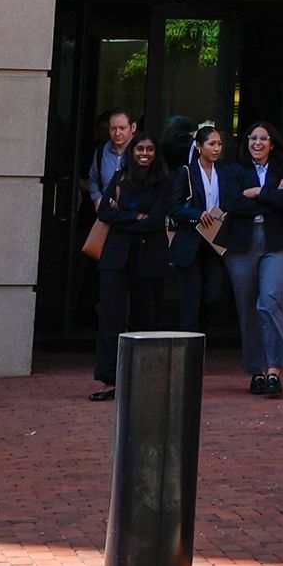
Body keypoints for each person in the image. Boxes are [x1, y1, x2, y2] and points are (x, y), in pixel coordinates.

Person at [217, 120, 283, 397]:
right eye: (253, 138)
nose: (257, 143)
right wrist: (271, 198)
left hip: (276, 243)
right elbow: (231, 203)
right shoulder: (233, 171)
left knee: (269, 302)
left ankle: (274, 370)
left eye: (263, 139)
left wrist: (258, 193)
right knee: (248, 309)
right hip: (242, 244)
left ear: (272, 143)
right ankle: (257, 371)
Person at [92, 130, 177, 398]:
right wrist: (134, 217)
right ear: (132, 152)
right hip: (116, 259)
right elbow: (105, 210)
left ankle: (143, 381)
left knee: (147, 320)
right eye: (139, 149)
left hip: (149, 260)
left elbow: (155, 221)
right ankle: (109, 380)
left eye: (149, 149)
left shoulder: (164, 182)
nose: (144, 154)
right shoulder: (120, 177)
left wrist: (123, 217)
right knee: (110, 319)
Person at [82, 106, 141, 400]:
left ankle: (136, 378)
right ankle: (108, 378)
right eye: (112, 129)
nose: (117, 134)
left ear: (133, 128)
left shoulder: (143, 154)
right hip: (108, 234)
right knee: (110, 305)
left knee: (138, 306)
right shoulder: (100, 153)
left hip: (138, 240)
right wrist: (96, 199)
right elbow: (93, 181)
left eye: (121, 128)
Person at [170, 121, 231, 336]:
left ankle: (202, 340)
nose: (216, 148)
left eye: (219, 144)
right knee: (190, 297)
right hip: (191, 241)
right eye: (211, 144)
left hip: (214, 241)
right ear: (198, 146)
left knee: (212, 294)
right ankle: (188, 346)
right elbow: (174, 207)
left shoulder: (224, 172)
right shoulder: (185, 172)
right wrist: (197, 214)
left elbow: (230, 200)